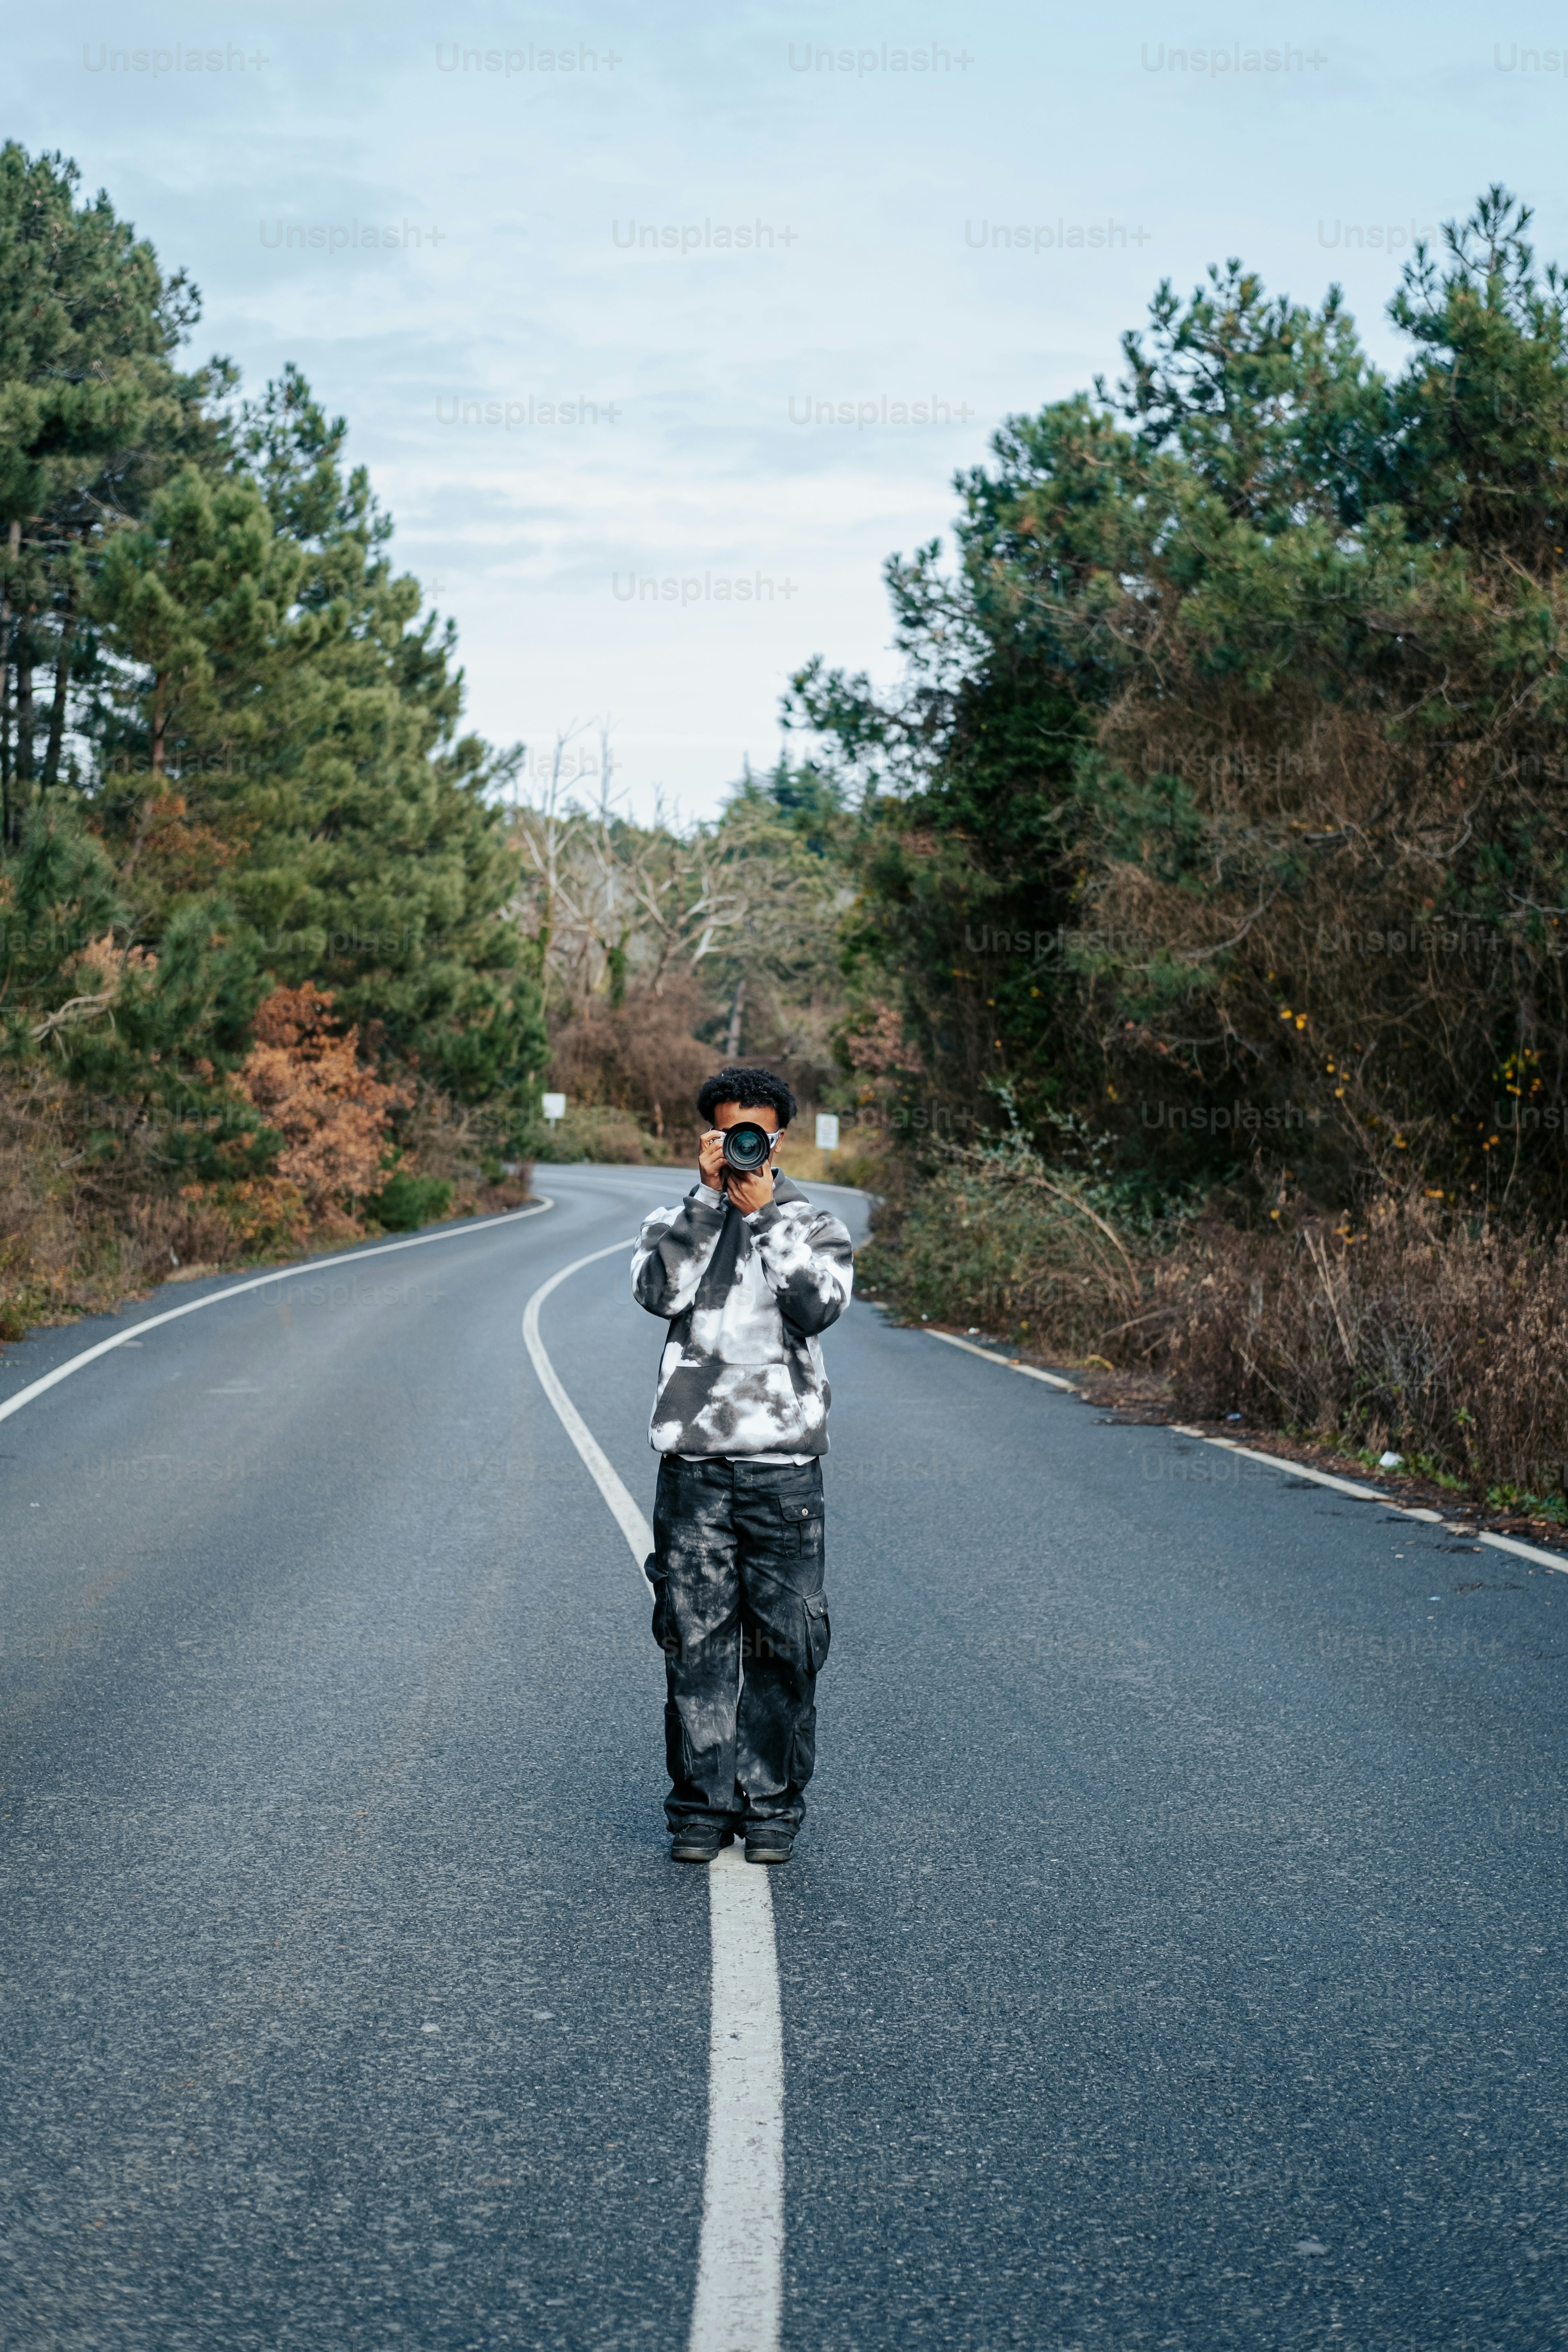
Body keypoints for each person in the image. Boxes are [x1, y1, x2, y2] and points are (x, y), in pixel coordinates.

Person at [631, 1065, 854, 1865]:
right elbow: (657, 1294)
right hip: (693, 1469)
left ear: (780, 1138)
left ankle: (770, 1811)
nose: (743, 1147)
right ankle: (699, 1809)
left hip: (783, 1472)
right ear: (708, 1137)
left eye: (755, 1133)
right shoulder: (674, 1220)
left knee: (784, 1647)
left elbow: (818, 1307)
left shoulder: (814, 1224)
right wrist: (704, 1205)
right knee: (695, 1643)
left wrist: (764, 1222)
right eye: (728, 1133)